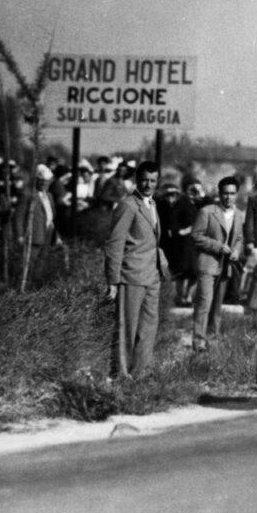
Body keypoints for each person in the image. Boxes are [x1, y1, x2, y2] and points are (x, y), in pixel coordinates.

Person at [104, 161, 168, 378]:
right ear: (137, 180)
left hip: (152, 276)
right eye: (144, 180)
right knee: (127, 329)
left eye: (152, 181)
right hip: (131, 275)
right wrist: (112, 279)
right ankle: (122, 375)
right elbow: (115, 243)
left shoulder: (153, 205)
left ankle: (140, 374)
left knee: (148, 329)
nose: (148, 184)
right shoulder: (128, 205)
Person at [190, 176, 244, 352]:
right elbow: (196, 236)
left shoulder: (239, 214)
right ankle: (198, 342)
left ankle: (212, 340)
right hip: (207, 264)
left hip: (225, 267)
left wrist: (236, 250)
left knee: (217, 307)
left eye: (232, 193)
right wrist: (219, 247)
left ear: (237, 194)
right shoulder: (207, 211)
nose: (228, 197)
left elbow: (239, 238)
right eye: (225, 193)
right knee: (204, 303)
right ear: (219, 194)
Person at [14, 164, 62, 285]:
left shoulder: (49, 195)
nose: (45, 184)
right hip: (33, 235)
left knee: (42, 262)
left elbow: (52, 217)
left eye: (47, 182)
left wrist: (56, 235)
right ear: (38, 180)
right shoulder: (28, 194)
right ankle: (24, 285)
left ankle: (35, 285)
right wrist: (19, 235)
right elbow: (19, 216)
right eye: (43, 181)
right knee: (29, 263)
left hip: (47, 233)